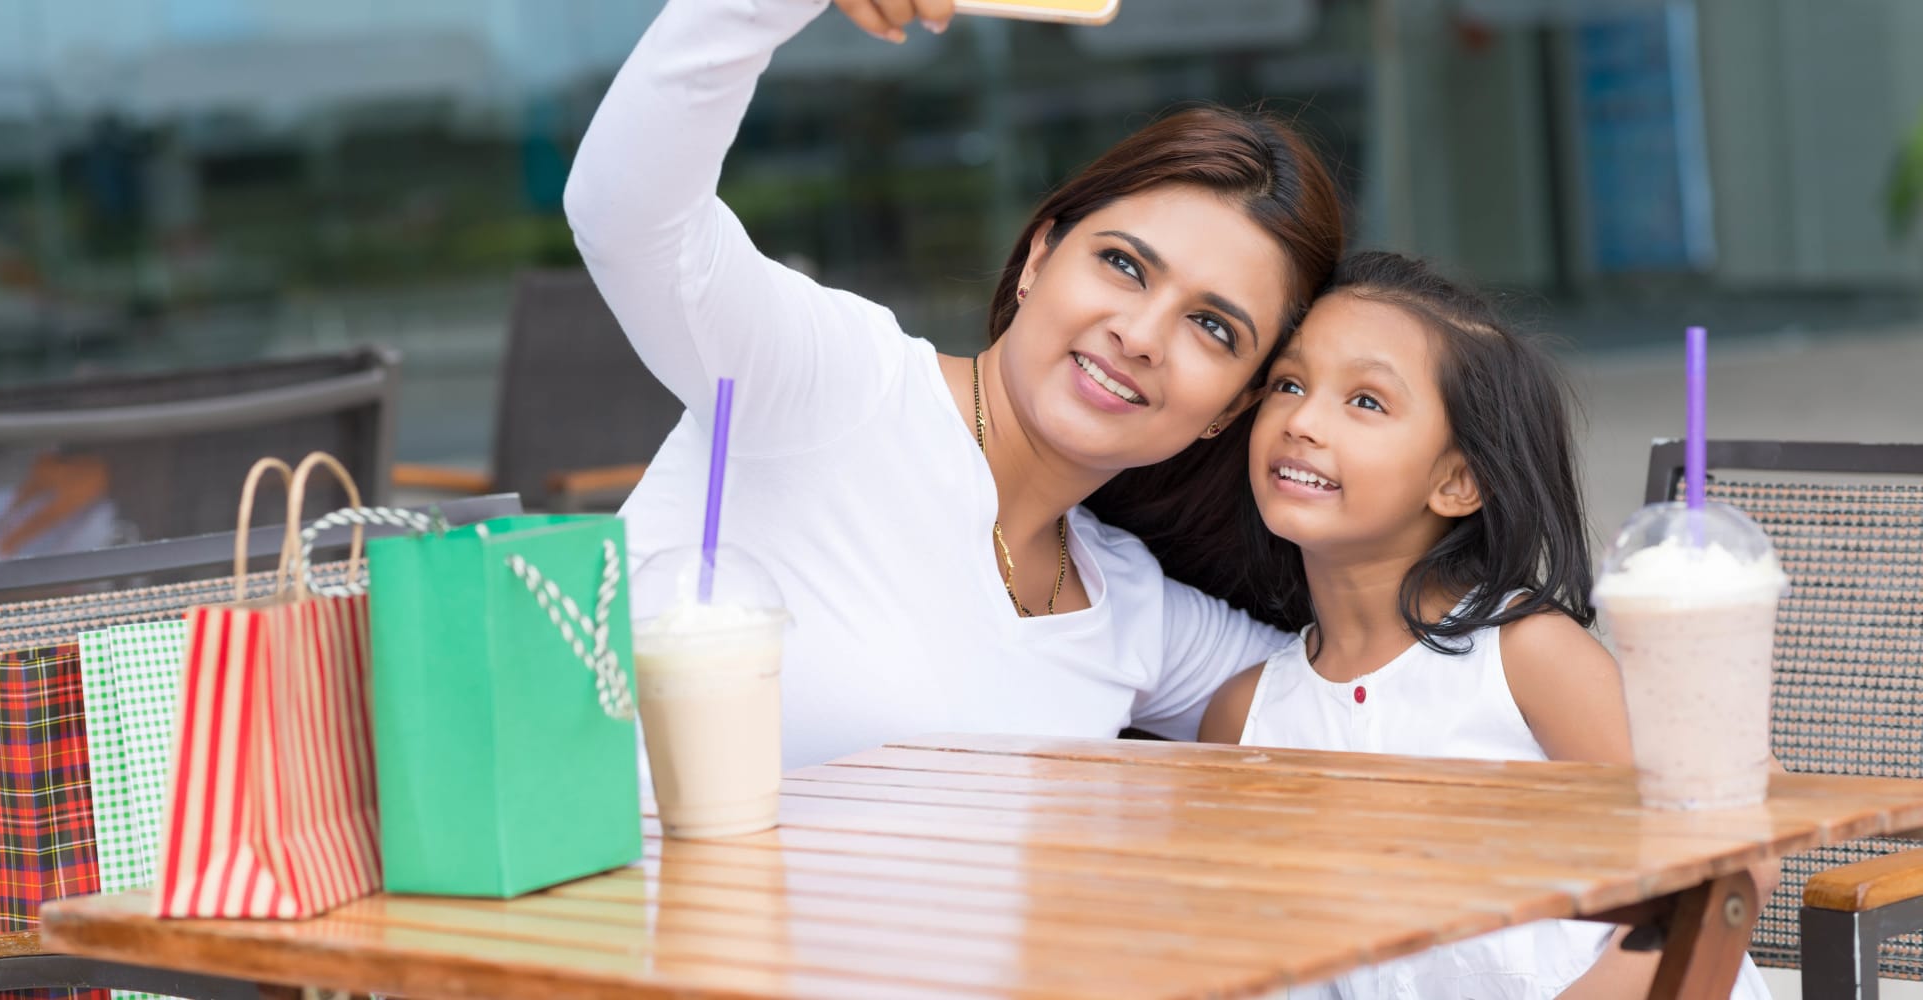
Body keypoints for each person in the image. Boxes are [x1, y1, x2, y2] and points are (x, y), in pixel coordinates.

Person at [566, 0, 1344, 769]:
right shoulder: (839, 381)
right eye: (1124, 265)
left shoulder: (1133, 612)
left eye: (1213, 328)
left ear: (1234, 406)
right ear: (1040, 257)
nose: (1140, 337)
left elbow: (1357, 705)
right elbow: (628, 220)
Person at [1197, 252, 1771, 1000]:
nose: (1302, 420)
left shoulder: (1528, 658)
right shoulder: (1244, 718)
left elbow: (1727, 870)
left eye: (1366, 401)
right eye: (1289, 384)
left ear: (1459, 480)